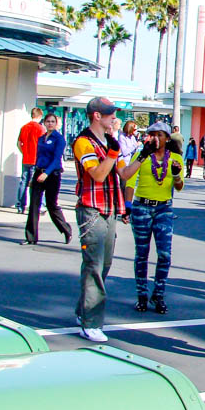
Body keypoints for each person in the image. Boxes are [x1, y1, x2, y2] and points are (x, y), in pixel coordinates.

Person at [71, 97, 128, 343]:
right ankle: (91, 323)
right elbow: (98, 174)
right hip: (92, 210)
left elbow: (124, 173)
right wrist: (113, 153)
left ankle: (83, 312)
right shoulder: (83, 142)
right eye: (109, 114)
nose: (114, 118)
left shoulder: (109, 141)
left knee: (104, 265)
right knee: (94, 265)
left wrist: (143, 155)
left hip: (110, 209)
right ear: (97, 115)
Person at [121, 122, 184, 315]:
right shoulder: (142, 156)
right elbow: (130, 181)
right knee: (142, 253)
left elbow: (179, 186)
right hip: (142, 207)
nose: (155, 138)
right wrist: (128, 206)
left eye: (160, 135)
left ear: (167, 138)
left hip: (164, 208)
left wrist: (176, 175)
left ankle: (158, 294)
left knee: (165, 254)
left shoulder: (175, 158)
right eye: (152, 134)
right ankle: (142, 295)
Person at [22, 113, 72, 246]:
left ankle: (66, 229)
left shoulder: (59, 139)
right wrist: (36, 173)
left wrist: (47, 173)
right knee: (34, 204)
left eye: (52, 121)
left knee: (51, 205)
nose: (50, 124)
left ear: (56, 124)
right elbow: (38, 156)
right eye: (48, 121)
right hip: (39, 172)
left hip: (52, 174)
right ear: (44, 123)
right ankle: (31, 237)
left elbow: (56, 159)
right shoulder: (41, 138)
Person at [15, 107, 45, 213]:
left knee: (23, 182)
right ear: (40, 116)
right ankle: (34, 206)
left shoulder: (24, 127)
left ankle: (20, 206)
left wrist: (24, 152)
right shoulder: (40, 129)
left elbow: (19, 143)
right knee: (34, 184)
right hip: (36, 159)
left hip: (26, 159)